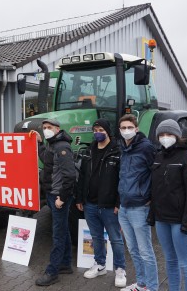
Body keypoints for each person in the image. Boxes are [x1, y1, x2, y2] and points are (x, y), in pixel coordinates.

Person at [148, 119, 187, 291]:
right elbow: (155, 189)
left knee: (186, 263)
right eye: (162, 134)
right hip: (162, 219)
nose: (165, 138)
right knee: (170, 260)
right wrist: (152, 214)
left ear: (177, 136)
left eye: (169, 134)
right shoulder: (158, 157)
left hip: (180, 222)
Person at [76, 118, 127, 287]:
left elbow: (122, 179)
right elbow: (82, 176)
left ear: (107, 131)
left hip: (109, 205)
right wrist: (79, 198)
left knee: (116, 238)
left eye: (101, 130)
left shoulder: (117, 151)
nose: (97, 133)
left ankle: (120, 269)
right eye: (95, 129)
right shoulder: (89, 151)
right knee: (96, 237)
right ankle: (100, 265)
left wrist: (118, 203)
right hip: (90, 203)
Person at [117, 114, 158, 291]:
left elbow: (156, 173)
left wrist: (151, 197)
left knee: (146, 252)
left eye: (129, 127)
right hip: (124, 207)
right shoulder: (122, 148)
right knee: (133, 250)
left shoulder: (146, 148)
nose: (126, 131)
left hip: (140, 207)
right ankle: (141, 284)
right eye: (123, 128)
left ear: (136, 128)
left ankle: (153, 287)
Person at [34, 119, 76, 286]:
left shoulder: (62, 147)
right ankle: (65, 264)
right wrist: (39, 143)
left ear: (57, 129)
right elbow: (47, 160)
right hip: (52, 195)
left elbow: (70, 176)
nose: (46, 130)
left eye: (49, 127)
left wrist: (62, 198)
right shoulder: (52, 144)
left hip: (59, 196)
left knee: (57, 234)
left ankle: (52, 272)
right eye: (44, 128)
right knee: (63, 229)